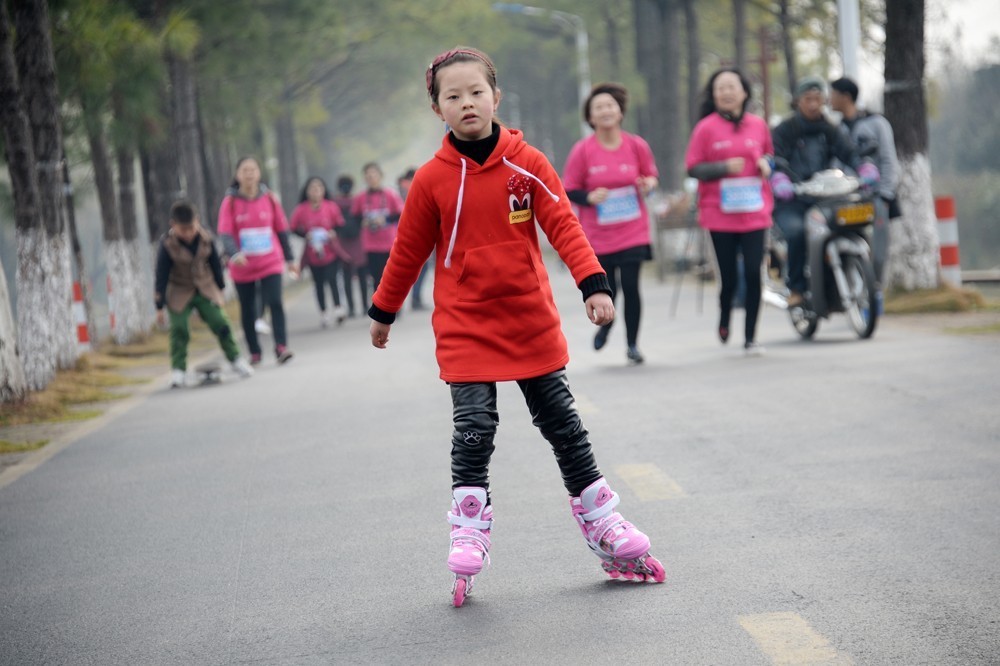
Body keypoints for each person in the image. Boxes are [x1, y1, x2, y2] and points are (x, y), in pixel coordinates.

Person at [368, 46, 665, 605]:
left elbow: (564, 225)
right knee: (474, 427)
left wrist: (593, 284)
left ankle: (603, 519)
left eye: (476, 92)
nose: (467, 103)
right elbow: (406, 252)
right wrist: (384, 312)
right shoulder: (431, 180)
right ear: (438, 109)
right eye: (452, 96)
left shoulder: (526, 162)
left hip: (529, 316)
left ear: (496, 97)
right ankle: (469, 527)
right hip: (466, 323)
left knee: (562, 422)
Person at [562, 82, 659, 365]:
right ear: (590, 117)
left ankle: (632, 345)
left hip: (633, 231)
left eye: (610, 106)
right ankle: (606, 326)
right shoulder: (583, 151)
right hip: (599, 235)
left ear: (619, 112)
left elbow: (651, 178)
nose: (605, 111)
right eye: (598, 108)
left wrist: (647, 184)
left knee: (632, 287)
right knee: (610, 289)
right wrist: (590, 197)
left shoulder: (636, 145)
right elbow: (569, 188)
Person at [685, 68, 774, 356]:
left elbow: (770, 155)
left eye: (731, 87)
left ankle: (750, 336)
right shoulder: (705, 128)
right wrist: (722, 168)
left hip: (755, 213)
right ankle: (724, 316)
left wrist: (766, 164)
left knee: (753, 273)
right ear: (714, 95)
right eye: (720, 88)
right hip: (719, 215)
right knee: (730, 279)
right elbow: (693, 167)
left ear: (744, 92)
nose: (726, 92)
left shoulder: (758, 125)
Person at [771, 76, 879, 307]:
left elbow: (849, 151)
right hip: (793, 201)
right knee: (798, 232)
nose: (812, 104)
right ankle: (797, 288)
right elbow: (776, 158)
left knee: (852, 225)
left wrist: (865, 167)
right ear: (798, 101)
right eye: (807, 99)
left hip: (826, 199)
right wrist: (779, 179)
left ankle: (865, 281)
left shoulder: (830, 129)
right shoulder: (784, 129)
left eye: (817, 99)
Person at [154, 200, 254, 387]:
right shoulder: (167, 245)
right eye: (183, 230)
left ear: (197, 221)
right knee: (179, 330)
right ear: (173, 225)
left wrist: (221, 289)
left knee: (221, 322)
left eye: (191, 228)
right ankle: (178, 371)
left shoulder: (206, 238)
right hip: (179, 291)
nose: (188, 233)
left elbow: (216, 265)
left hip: (205, 287)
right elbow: (161, 276)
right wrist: (159, 307)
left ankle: (236, 359)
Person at [217, 156, 297, 365]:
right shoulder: (230, 202)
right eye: (245, 170)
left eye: (253, 169)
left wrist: (290, 259)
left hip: (270, 261)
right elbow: (225, 232)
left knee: (276, 302)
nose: (250, 174)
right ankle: (254, 351)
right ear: (237, 175)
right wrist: (235, 254)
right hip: (243, 266)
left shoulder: (269, 198)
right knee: (248, 308)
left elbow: (281, 228)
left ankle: (281, 346)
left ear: (259, 173)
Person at [829, 76, 900, 290]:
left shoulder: (876, 123)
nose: (829, 99)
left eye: (833, 95)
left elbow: (888, 160)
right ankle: (852, 292)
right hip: (846, 200)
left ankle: (875, 289)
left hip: (876, 198)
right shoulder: (836, 130)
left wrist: (886, 193)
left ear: (846, 96)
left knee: (878, 250)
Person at [290, 176, 350, 328]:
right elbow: (293, 228)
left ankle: (338, 308)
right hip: (313, 254)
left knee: (332, 279)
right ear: (307, 191)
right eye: (312, 188)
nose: (316, 191)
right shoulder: (301, 209)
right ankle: (324, 313)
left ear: (324, 190)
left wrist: (333, 233)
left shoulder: (331, 206)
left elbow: (340, 225)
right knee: (318, 284)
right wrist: (306, 235)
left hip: (331, 251)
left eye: (319, 187)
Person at [351, 162, 404, 311]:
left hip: (389, 243)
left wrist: (385, 220)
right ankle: (380, 307)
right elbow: (354, 218)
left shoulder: (390, 194)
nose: (371, 177)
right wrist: (364, 222)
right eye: (367, 175)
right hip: (370, 245)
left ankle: (394, 306)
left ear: (380, 176)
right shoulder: (360, 198)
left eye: (374, 174)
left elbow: (401, 214)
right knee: (376, 278)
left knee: (392, 277)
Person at [331, 175, 365, 317]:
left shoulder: (334, 203)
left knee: (346, 278)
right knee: (363, 276)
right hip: (359, 243)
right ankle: (365, 305)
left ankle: (351, 307)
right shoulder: (357, 200)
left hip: (343, 243)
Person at [400, 167, 432, 311]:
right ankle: (415, 298)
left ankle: (415, 298)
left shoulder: (400, 188)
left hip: (408, 232)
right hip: (415, 233)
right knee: (421, 267)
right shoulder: (410, 187)